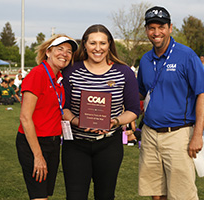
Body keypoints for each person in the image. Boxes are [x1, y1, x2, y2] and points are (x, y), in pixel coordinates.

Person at [137, 6, 204, 200]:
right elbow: (140, 94)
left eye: (161, 27)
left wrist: (197, 135)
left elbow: (203, 94)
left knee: (182, 194)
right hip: (150, 133)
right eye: (151, 28)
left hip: (178, 134)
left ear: (170, 28)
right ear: (146, 30)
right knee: (156, 192)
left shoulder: (187, 56)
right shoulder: (145, 59)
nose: (156, 32)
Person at [61, 24, 140, 200]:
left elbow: (134, 110)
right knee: (75, 196)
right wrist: (77, 121)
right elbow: (63, 107)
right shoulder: (71, 71)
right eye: (93, 43)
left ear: (109, 45)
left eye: (102, 43)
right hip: (75, 145)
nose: (98, 48)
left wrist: (115, 121)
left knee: (105, 196)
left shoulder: (124, 72)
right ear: (85, 45)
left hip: (108, 145)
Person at [16, 34, 78, 200]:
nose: (64, 54)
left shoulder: (58, 79)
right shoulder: (38, 74)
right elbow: (25, 117)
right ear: (48, 52)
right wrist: (38, 155)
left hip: (53, 142)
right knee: (39, 196)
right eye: (60, 49)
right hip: (35, 143)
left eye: (69, 51)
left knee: (45, 194)